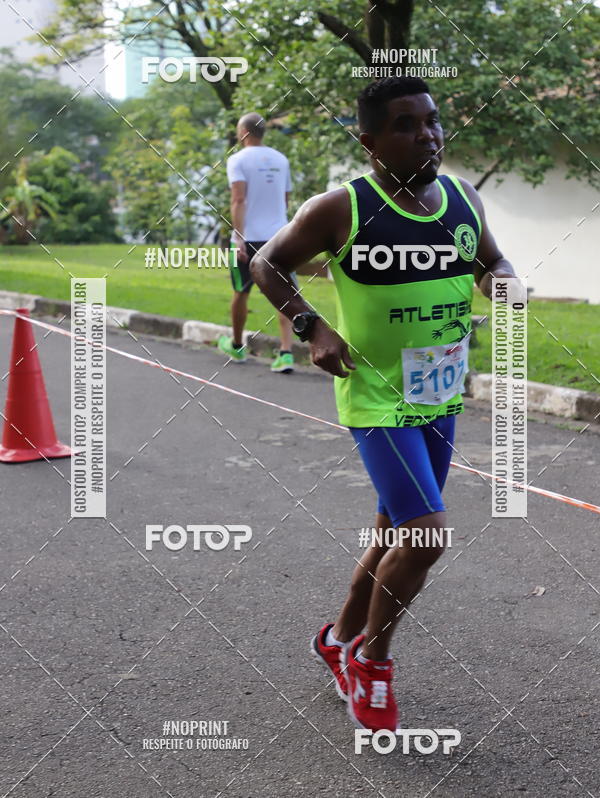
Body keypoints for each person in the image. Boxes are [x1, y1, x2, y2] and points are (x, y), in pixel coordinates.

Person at [250, 77, 520, 732]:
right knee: (425, 536)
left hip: (441, 392)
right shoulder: (341, 207)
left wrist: (505, 283)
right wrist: (314, 329)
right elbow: (267, 262)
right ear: (371, 142)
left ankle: (336, 640)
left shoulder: (461, 197)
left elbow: (493, 261)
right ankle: (371, 659)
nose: (426, 134)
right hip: (376, 394)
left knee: (396, 532)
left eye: (431, 121)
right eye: (406, 125)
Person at [218, 112, 298, 373]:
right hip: (279, 237)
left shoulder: (236, 160)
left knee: (241, 291)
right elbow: (285, 200)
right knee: (285, 294)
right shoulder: (281, 160)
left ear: (243, 133)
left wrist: (239, 237)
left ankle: (238, 347)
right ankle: (286, 353)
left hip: (247, 238)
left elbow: (238, 199)